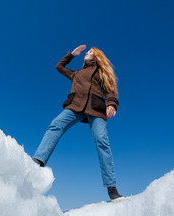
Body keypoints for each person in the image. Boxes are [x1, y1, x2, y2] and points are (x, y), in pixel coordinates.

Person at [32, 45, 124, 202]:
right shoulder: (76, 74)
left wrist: (112, 104)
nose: (87, 53)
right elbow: (59, 67)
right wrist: (72, 55)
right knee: (56, 124)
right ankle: (37, 161)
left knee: (102, 141)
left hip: (96, 109)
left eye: (90, 52)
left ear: (96, 57)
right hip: (75, 106)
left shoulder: (101, 72)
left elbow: (109, 90)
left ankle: (112, 188)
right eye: (86, 52)